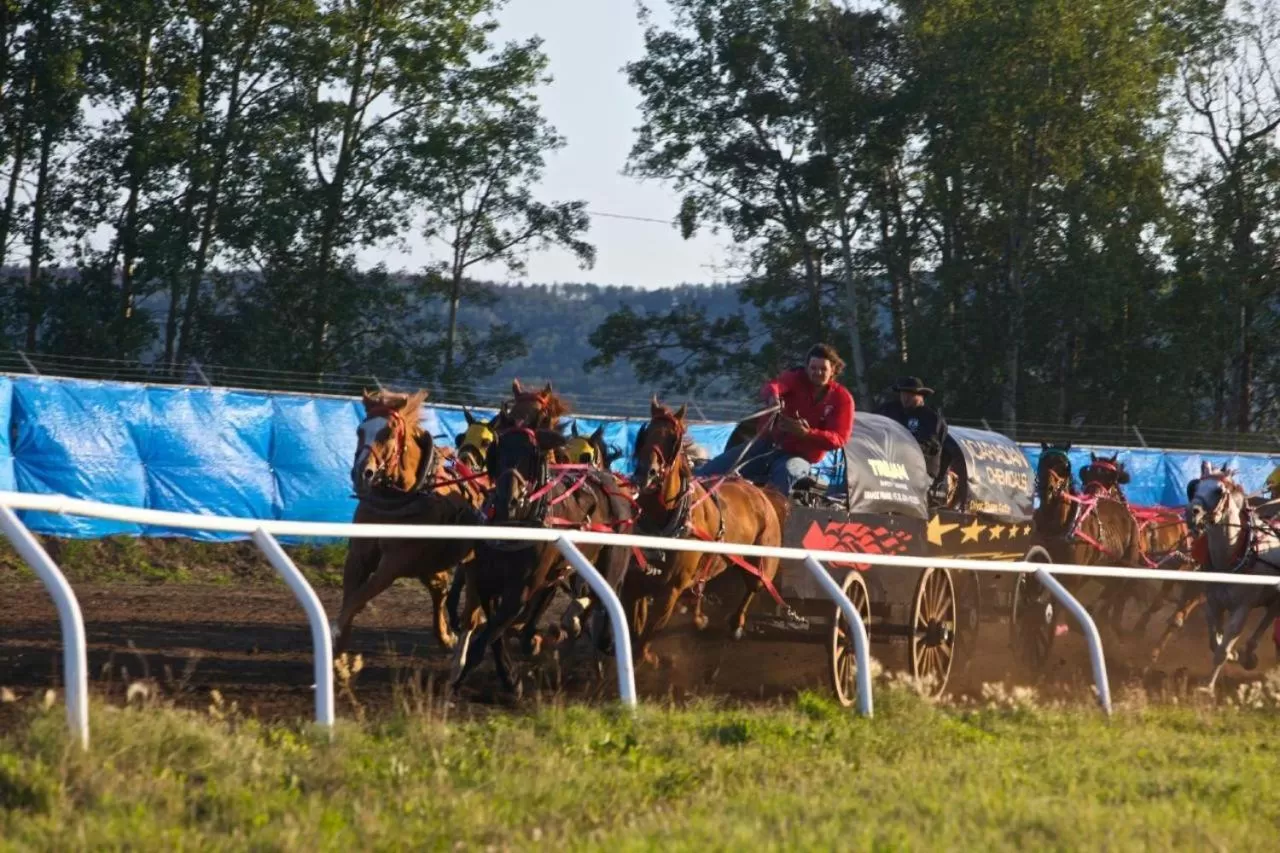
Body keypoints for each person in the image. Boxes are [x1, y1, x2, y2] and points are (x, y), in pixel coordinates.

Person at [696, 343, 855, 495]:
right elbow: (774, 386)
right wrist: (773, 397)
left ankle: (775, 516)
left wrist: (806, 434)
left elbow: (839, 438)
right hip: (768, 447)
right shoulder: (795, 378)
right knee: (714, 468)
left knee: (787, 472)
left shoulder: (842, 399)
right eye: (813, 368)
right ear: (806, 368)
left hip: (800, 457)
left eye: (823, 369)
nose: (817, 373)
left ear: (833, 370)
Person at [876, 376, 948, 481]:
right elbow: (873, 424)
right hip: (890, 467)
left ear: (921, 396)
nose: (905, 398)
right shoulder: (889, 410)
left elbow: (931, 445)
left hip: (921, 471)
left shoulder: (931, 418)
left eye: (911, 394)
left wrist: (903, 450)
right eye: (903, 394)